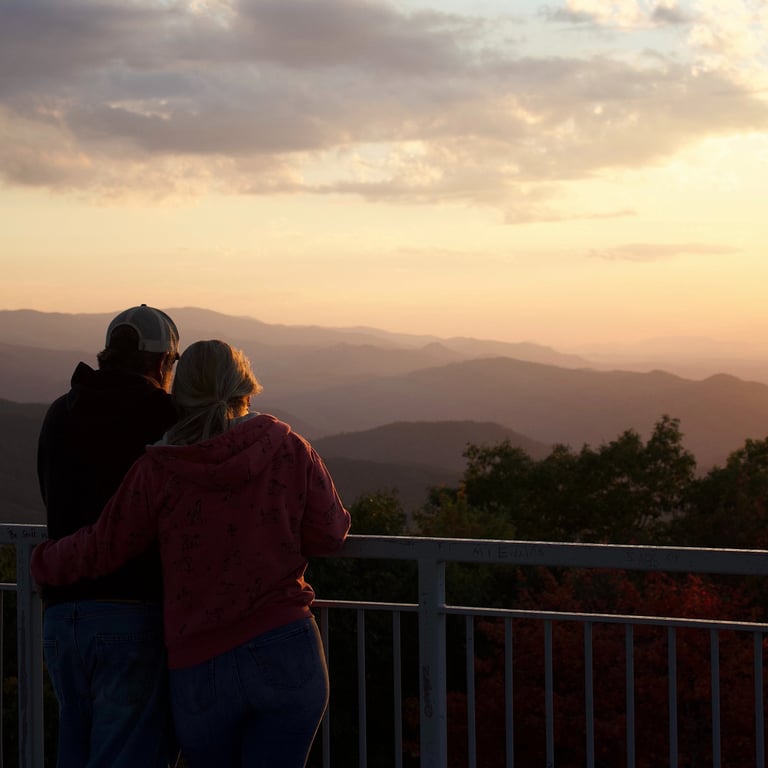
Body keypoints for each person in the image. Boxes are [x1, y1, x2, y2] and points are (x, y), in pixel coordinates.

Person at [32, 339, 351, 768]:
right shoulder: (287, 447)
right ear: (243, 385)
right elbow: (330, 533)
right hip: (286, 647)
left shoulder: (160, 467)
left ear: (181, 392)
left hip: (201, 663)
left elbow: (106, 545)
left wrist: (44, 560)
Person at [36, 304, 181, 768]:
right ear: (162, 361)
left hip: (62, 616)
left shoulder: (59, 412)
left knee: (75, 749)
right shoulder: (163, 417)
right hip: (130, 612)